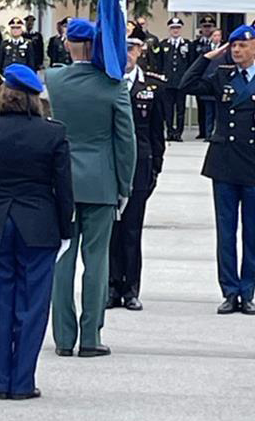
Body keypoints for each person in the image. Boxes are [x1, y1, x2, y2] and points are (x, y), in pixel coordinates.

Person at [0, 63, 74, 401]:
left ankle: (0, 380)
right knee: (33, 305)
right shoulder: (53, 133)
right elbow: (63, 188)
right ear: (35, 98)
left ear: (5, 94)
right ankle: (22, 381)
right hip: (39, 225)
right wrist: (65, 228)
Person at [45, 19, 136, 358]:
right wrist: (124, 184)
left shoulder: (53, 80)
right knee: (96, 261)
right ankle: (90, 337)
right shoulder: (112, 84)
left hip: (62, 179)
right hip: (100, 182)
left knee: (62, 260)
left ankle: (63, 338)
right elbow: (126, 140)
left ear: (67, 44)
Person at [181, 25, 255, 316]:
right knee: (226, 232)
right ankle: (229, 291)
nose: (236, 50)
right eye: (233, 45)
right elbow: (187, 84)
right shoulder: (222, 75)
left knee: (252, 233)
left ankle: (248, 292)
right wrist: (207, 57)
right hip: (225, 162)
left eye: (242, 45)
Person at [108, 26, 166, 312]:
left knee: (132, 230)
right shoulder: (107, 82)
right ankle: (110, 287)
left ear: (141, 51)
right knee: (110, 231)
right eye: (123, 47)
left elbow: (157, 134)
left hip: (139, 166)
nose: (127, 53)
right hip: (109, 166)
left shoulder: (152, 87)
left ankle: (130, 289)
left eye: (132, 48)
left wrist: (156, 168)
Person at [157, 17, 194, 142]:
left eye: (177, 28)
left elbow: (191, 63)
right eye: (173, 28)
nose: (175, 30)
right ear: (169, 29)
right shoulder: (164, 44)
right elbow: (160, 63)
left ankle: (178, 133)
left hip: (181, 82)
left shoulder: (187, 44)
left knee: (180, 109)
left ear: (181, 29)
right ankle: (169, 131)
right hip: (168, 82)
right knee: (168, 110)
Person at [194, 15, 218, 139]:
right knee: (202, 108)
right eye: (205, 27)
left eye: (209, 27)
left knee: (213, 110)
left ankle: (211, 131)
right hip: (201, 79)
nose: (207, 29)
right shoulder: (196, 44)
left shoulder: (221, 48)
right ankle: (202, 131)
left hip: (214, 80)